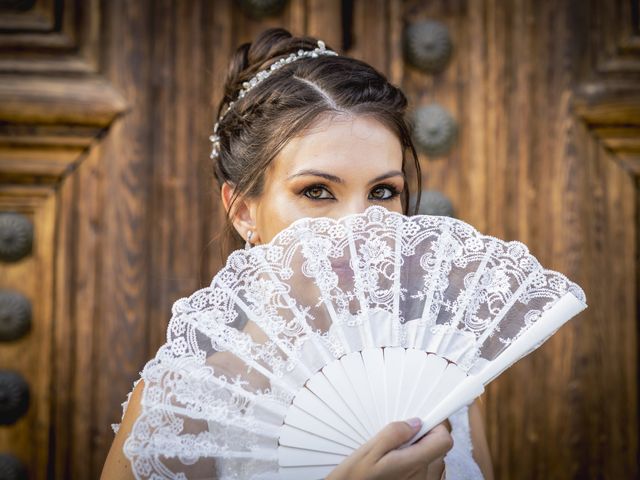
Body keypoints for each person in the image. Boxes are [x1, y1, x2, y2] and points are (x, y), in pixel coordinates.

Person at [101, 27, 494, 479]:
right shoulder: (181, 406)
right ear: (243, 210)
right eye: (317, 191)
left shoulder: (444, 382)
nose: (360, 227)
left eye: (384, 191)